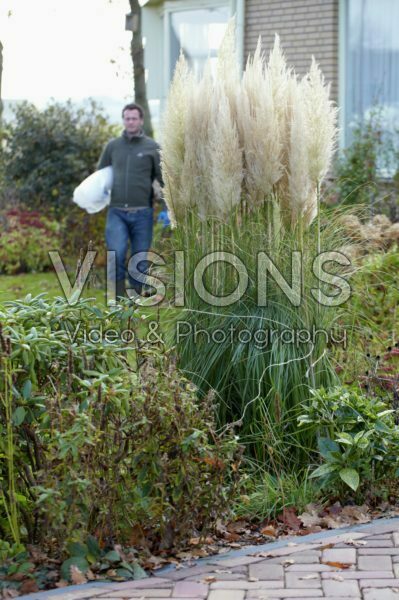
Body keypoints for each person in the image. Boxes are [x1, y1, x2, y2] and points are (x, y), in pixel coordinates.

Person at [97, 102, 163, 299]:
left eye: (134, 118)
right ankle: (117, 299)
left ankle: (134, 299)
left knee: (140, 259)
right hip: (116, 212)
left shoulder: (152, 147)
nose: (131, 122)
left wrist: (169, 207)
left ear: (141, 120)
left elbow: (163, 178)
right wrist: (95, 198)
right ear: (123, 120)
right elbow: (101, 175)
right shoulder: (113, 146)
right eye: (127, 118)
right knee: (116, 254)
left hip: (142, 212)